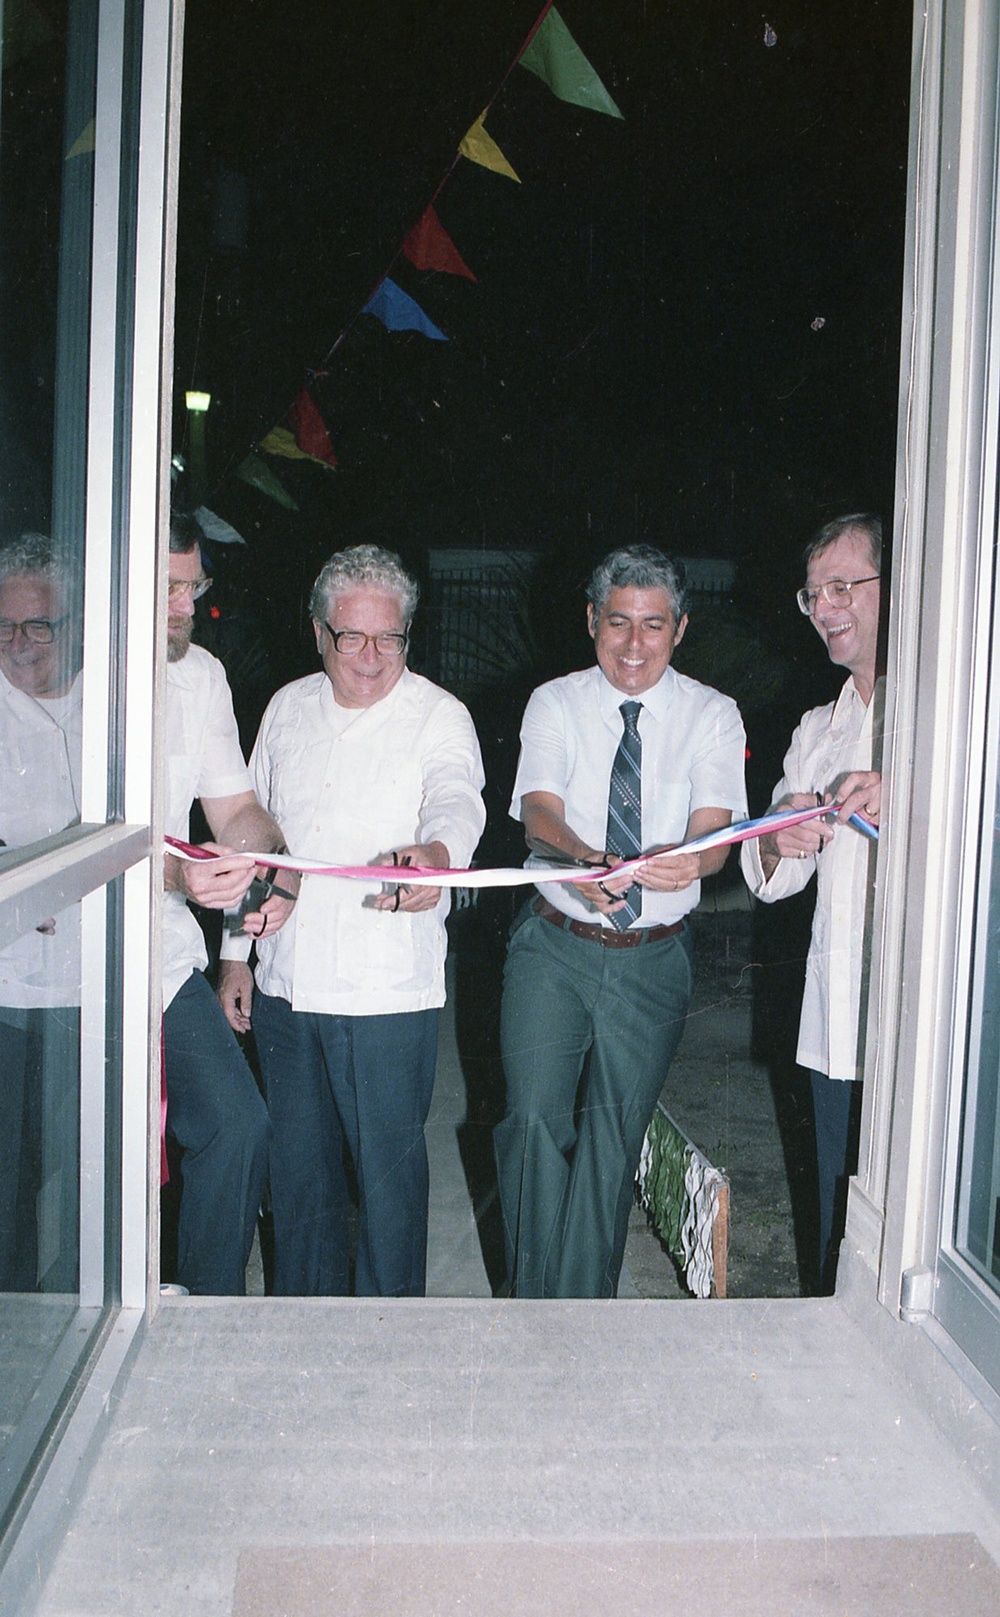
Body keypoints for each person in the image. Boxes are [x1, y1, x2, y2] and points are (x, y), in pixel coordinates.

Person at [217, 544, 486, 1298]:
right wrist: (236, 955)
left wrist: (437, 854)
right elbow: (253, 835)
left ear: (408, 635)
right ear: (318, 632)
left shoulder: (438, 714)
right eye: (351, 637)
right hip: (287, 985)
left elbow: (458, 797)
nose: (370, 657)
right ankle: (306, 1337)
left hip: (385, 997)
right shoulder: (286, 708)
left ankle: (388, 1346)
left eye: (389, 638)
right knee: (299, 1184)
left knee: (389, 1190)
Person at [494, 545, 747, 1298]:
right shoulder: (555, 702)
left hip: (653, 958)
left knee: (612, 1143)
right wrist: (583, 858)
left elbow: (714, 831)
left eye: (654, 626)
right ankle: (533, 1304)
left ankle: (578, 1327)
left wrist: (690, 860)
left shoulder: (713, 714)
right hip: (554, 943)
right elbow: (538, 812)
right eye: (617, 623)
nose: (634, 646)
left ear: (680, 628)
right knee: (534, 1119)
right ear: (591, 621)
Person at [740, 512, 883, 1294]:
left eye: (843, 586)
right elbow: (771, 874)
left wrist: (904, 797)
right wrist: (775, 840)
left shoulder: (951, 712)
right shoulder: (816, 730)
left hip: (924, 1030)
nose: (825, 607)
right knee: (835, 1212)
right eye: (813, 593)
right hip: (838, 1022)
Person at [162, 513, 294, 1295]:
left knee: (239, 1127)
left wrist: (265, 858)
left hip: (158, 956)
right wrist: (179, 876)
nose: (184, 605)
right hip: (42, 966)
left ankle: (205, 1316)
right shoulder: (59, 662)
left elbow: (236, 809)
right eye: (168, 588)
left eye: (193, 586)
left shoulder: (201, 675)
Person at [0, 534, 82, 1290]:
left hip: (98, 980)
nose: (20, 644)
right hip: (9, 989)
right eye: (5, 626)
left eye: (39, 626)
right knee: (9, 1179)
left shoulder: (111, 704)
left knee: (94, 1178)